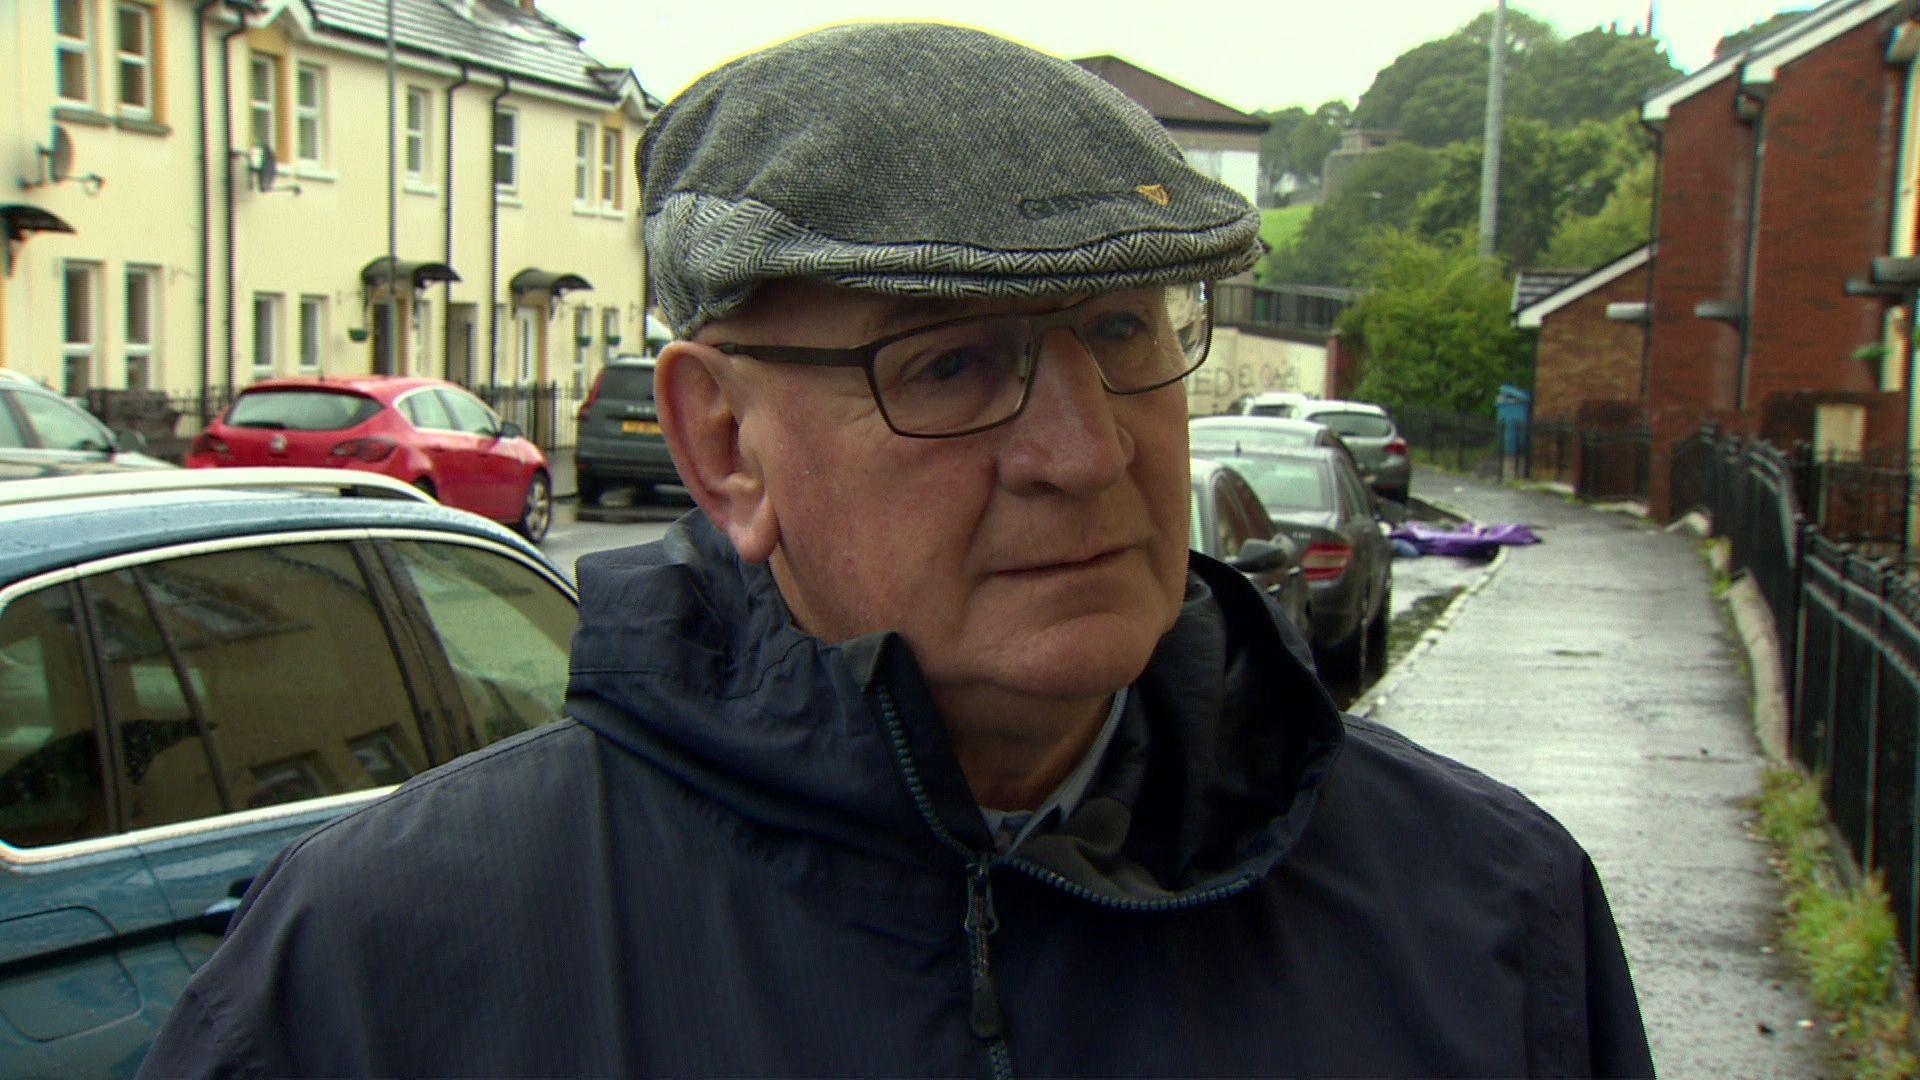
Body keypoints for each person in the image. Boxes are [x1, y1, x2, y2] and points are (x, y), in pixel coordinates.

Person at [139, 22, 1653, 1077]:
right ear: (724, 442)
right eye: (951, 365)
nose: (1087, 451)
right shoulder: (383, 967)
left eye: (1125, 332)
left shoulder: (1487, 916)